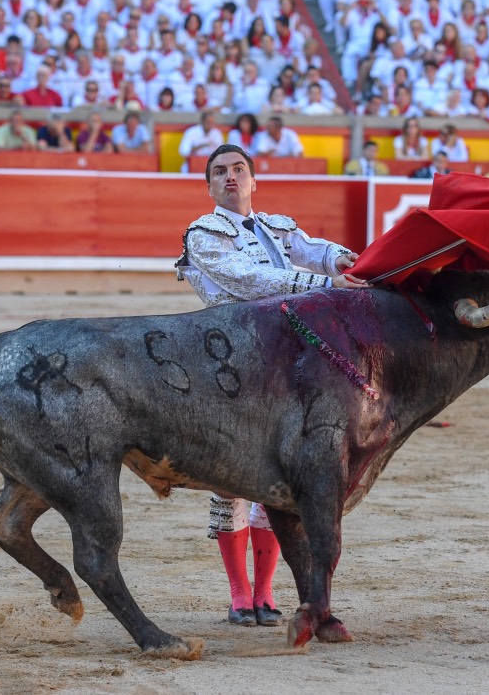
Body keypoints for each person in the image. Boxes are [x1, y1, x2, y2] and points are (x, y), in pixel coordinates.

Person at [174, 143, 368, 626]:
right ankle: (239, 595)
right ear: (210, 186)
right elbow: (249, 280)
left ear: (254, 180)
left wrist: (347, 261)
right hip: (226, 361)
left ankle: (265, 593)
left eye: (239, 169)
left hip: (284, 364)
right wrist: (322, 286)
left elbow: (316, 252)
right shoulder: (203, 232)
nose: (230, 177)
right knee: (230, 481)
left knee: (277, 479)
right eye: (220, 172)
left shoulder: (278, 225)